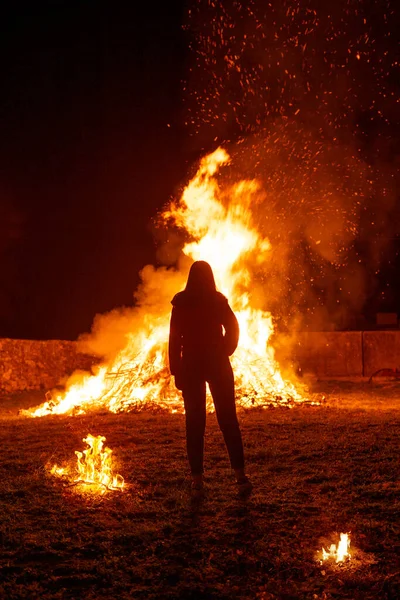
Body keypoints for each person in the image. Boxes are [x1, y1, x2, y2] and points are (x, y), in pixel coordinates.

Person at [168, 260, 252, 497]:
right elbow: (233, 327)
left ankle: (197, 481)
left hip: (192, 364)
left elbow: (174, 339)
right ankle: (240, 476)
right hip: (217, 363)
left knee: (194, 424)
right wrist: (225, 349)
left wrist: (177, 370)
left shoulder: (181, 302)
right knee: (228, 420)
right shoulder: (218, 300)